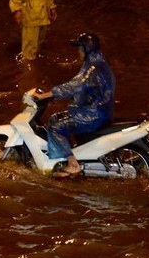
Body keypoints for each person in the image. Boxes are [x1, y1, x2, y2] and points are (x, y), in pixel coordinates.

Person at [34, 33, 115, 178]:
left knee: (55, 127)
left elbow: (74, 86)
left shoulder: (93, 68)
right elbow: (86, 89)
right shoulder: (98, 63)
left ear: (86, 49)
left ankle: (73, 164)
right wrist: (56, 97)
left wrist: (46, 95)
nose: (78, 52)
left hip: (92, 114)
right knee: (54, 118)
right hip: (96, 110)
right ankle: (71, 153)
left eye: (80, 48)